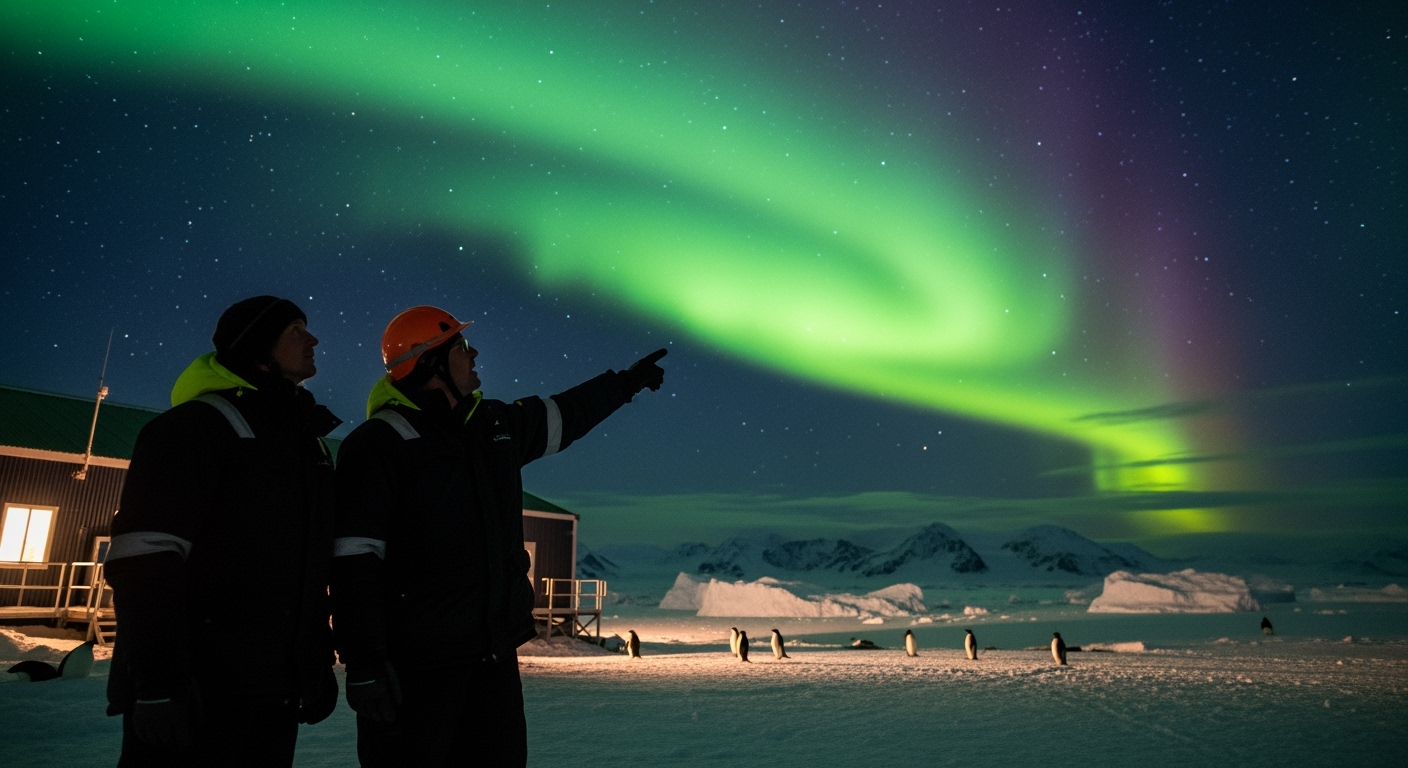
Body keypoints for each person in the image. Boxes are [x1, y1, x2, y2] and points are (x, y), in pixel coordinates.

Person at [331, 305, 666, 767]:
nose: (474, 354)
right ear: (430, 363)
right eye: (461, 347)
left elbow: (563, 414)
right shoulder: (377, 446)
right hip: (417, 670)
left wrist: (624, 384)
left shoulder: (492, 428)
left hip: (492, 662)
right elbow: (354, 562)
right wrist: (365, 663)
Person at [105, 296, 343, 766]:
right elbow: (144, 558)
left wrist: (312, 659)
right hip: (198, 693)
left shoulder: (304, 445)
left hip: (272, 693)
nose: (313, 339)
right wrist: (158, 685)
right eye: (296, 329)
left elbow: (306, 565)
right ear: (257, 345)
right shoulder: (193, 429)